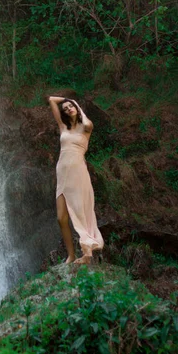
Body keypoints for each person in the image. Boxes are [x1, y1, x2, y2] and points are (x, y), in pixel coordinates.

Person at [48, 96, 104, 264]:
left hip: (78, 172)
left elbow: (86, 123)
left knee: (80, 211)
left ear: (77, 107)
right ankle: (71, 255)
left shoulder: (86, 127)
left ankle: (87, 253)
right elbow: (51, 100)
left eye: (70, 107)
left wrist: (74, 103)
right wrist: (67, 100)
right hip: (62, 174)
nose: (68, 109)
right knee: (61, 218)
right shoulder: (63, 127)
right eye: (65, 109)